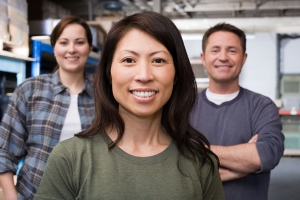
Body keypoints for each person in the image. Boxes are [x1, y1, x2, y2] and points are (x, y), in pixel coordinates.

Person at [34, 11, 225, 200]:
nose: (144, 75)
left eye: (158, 60)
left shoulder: (201, 163)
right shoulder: (70, 158)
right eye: (128, 60)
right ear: (109, 73)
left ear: (176, 74)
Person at [0, 16, 95, 199]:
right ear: (54, 48)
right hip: (32, 194)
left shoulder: (103, 98)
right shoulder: (30, 90)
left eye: (80, 42)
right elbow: (4, 151)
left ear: (89, 48)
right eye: (64, 42)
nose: (71, 49)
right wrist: (12, 197)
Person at [190, 23, 285, 200]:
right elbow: (172, 162)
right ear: (203, 58)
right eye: (215, 50)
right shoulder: (184, 107)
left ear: (244, 58)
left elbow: (267, 154)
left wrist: (196, 149)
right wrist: (240, 165)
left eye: (232, 50)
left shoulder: (262, 106)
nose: (223, 57)